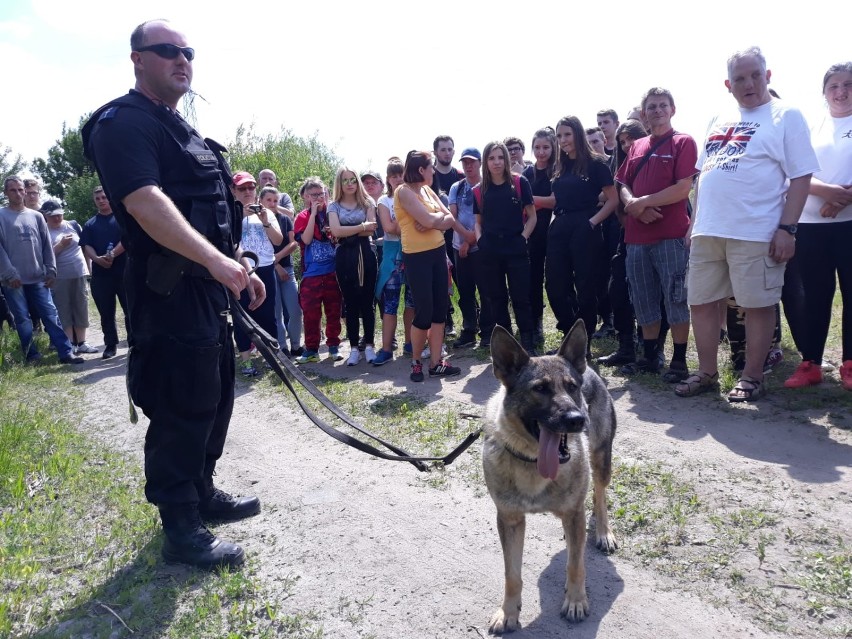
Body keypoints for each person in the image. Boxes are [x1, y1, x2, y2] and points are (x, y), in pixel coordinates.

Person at [82, 19, 265, 569]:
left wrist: (236, 266)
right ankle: (180, 526)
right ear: (137, 58)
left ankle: (202, 491)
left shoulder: (183, 129)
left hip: (207, 287)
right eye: (167, 51)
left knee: (215, 391)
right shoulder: (122, 125)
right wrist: (214, 261)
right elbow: (143, 202)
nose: (181, 60)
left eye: (187, 52)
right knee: (181, 399)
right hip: (166, 289)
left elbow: (214, 212)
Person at [679, 46, 819, 401]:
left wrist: (788, 229)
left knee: (757, 304)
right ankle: (707, 373)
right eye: (739, 78)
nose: (749, 83)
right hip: (709, 229)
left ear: (768, 76)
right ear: (728, 84)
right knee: (701, 302)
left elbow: (801, 176)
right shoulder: (718, 117)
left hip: (755, 230)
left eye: (755, 75)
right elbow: (702, 176)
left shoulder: (786, 115)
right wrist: (693, 222)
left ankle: (752, 376)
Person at [616, 88, 697, 382]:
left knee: (675, 298)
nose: (657, 110)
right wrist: (633, 207)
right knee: (644, 298)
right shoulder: (636, 146)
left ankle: (678, 361)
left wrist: (643, 202)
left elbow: (682, 188)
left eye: (663, 105)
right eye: (651, 106)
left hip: (670, 236)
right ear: (644, 112)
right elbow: (621, 183)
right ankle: (650, 357)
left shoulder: (683, 142)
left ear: (672, 109)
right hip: (636, 239)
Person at [784, 62, 852, 390]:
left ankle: (850, 364)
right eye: (833, 86)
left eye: (848, 84)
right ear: (824, 92)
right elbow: (792, 170)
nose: (841, 92)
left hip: (849, 225)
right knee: (815, 295)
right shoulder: (812, 126)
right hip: (811, 224)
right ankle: (810, 363)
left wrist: (841, 201)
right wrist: (828, 192)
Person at [540, 117, 618, 350]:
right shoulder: (559, 166)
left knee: (586, 287)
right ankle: (569, 332)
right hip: (560, 227)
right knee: (554, 285)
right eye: (559, 136)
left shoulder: (596, 164)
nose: (562, 140)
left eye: (567, 134)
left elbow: (613, 200)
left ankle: (583, 343)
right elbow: (558, 199)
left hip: (586, 228)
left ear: (577, 134)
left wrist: (592, 222)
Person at [395, 150, 466, 381]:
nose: (434, 172)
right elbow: (432, 219)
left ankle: (436, 363)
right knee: (424, 311)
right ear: (420, 170)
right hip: (416, 257)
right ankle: (416, 362)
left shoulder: (426, 190)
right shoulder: (403, 192)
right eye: (430, 167)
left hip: (437, 253)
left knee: (439, 310)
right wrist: (435, 220)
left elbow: (449, 219)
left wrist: (433, 221)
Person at [0, 176, 83, 365]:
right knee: (22, 319)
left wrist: (51, 269)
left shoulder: (36, 216)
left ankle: (65, 352)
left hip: (38, 277)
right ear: (6, 193)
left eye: (22, 190)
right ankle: (32, 354)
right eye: (13, 190)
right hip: (13, 280)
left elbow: (46, 245)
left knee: (51, 315)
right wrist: (9, 273)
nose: (19, 194)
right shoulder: (1, 215)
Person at [474, 141, 538, 354]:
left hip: (516, 247)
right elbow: (477, 221)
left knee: (521, 296)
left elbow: (532, 216)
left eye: (500, 157)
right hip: (490, 249)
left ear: (507, 160)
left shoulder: (520, 183)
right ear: (485, 162)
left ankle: (527, 341)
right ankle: (507, 343)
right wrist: (480, 239)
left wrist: (523, 238)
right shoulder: (479, 190)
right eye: (491, 158)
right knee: (496, 297)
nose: (497, 162)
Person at [597, 119, 648, 366]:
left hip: (654, 235)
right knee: (617, 290)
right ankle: (625, 346)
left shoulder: (652, 162)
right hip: (624, 237)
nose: (628, 145)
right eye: (623, 141)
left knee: (648, 294)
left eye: (632, 139)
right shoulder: (617, 166)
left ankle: (651, 350)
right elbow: (617, 201)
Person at [231, 171, 283, 377]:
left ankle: (271, 356)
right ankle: (246, 361)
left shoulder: (266, 212)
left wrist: (264, 219)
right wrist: (240, 215)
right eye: (242, 188)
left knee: (268, 313)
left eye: (251, 187)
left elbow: (278, 241)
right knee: (242, 315)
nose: (247, 192)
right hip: (240, 269)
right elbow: (228, 242)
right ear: (233, 190)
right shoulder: (230, 212)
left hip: (266, 267)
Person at [327, 167, 378, 366]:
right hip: (344, 257)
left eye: (353, 180)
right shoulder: (333, 206)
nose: (350, 184)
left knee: (367, 302)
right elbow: (336, 231)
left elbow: (372, 228)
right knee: (350, 303)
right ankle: (354, 348)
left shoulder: (367, 202)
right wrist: (361, 227)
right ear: (339, 184)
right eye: (345, 180)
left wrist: (351, 231)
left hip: (366, 254)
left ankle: (370, 346)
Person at [293, 177, 344, 363]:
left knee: (333, 312)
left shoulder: (332, 213)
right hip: (311, 275)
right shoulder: (302, 217)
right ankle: (311, 349)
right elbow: (305, 240)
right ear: (306, 196)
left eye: (320, 194)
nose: (317, 198)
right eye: (313, 195)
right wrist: (313, 215)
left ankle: (333, 346)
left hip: (332, 273)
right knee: (311, 314)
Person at [373, 159, 415, 365]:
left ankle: (410, 343)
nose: (398, 179)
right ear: (388, 179)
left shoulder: (414, 196)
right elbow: (389, 228)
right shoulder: (383, 201)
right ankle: (387, 348)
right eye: (394, 176)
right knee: (390, 305)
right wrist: (405, 214)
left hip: (414, 252)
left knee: (411, 303)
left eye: (401, 175)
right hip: (391, 256)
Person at [80, 185, 129, 359]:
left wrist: (112, 255)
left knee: (129, 309)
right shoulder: (90, 224)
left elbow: (127, 239)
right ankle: (110, 344)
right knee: (106, 312)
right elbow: (86, 246)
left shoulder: (122, 218)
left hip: (124, 271)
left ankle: (134, 342)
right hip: (101, 275)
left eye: (104, 197)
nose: (101, 201)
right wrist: (97, 259)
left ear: (109, 197)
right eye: (98, 198)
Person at [42, 201, 97, 354]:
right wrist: (60, 246)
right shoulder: (43, 231)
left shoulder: (73, 225)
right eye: (53, 216)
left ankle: (82, 342)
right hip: (59, 277)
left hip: (78, 273)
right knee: (63, 309)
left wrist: (89, 267)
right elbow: (43, 257)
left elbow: (84, 247)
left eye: (59, 214)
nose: (57, 218)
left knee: (81, 307)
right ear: (45, 215)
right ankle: (70, 343)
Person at [448, 148, 487, 349]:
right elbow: (451, 216)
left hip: (481, 246)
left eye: (472, 162)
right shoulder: (457, 186)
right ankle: (469, 330)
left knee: (486, 289)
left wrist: (470, 240)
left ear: (480, 163)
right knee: (465, 291)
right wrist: (465, 238)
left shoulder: (487, 185)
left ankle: (488, 331)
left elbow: (488, 216)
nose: (468, 166)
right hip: (459, 246)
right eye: (465, 162)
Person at [524, 127, 557, 347]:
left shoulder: (558, 170)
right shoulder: (527, 173)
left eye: (545, 147)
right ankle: (536, 324)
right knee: (533, 279)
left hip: (555, 231)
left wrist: (532, 199)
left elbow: (556, 201)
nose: (541, 151)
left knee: (556, 280)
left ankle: (567, 322)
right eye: (537, 147)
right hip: (532, 231)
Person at [260, 186, 302, 357]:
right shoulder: (258, 221)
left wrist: (277, 258)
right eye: (268, 200)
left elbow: (293, 243)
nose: (272, 204)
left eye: (275, 200)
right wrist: (275, 264)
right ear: (261, 201)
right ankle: (281, 347)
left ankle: (296, 345)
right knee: (276, 312)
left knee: (295, 310)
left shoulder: (284, 219)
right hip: (268, 270)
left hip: (288, 268)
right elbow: (260, 249)